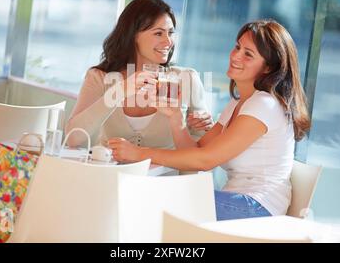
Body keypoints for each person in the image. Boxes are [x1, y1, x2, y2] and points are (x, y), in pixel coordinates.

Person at [108, 19, 311, 220]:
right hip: (237, 201)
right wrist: (176, 119)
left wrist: (138, 153)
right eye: (237, 47)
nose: (235, 56)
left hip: (257, 208)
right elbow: (195, 156)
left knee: (148, 200)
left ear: (268, 68)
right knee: (147, 199)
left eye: (248, 54)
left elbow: (205, 160)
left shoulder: (264, 105)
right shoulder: (238, 104)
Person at [66, 0, 213, 149]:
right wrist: (119, 91)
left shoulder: (186, 79)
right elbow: (74, 139)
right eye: (158, 33)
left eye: (170, 33)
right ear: (133, 35)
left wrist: (205, 127)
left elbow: (201, 153)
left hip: (164, 173)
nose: (168, 42)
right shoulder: (99, 77)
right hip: (109, 172)